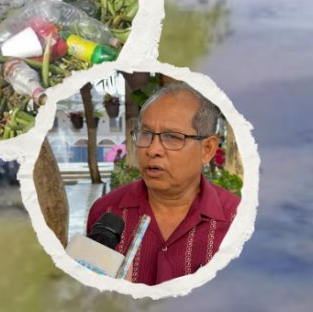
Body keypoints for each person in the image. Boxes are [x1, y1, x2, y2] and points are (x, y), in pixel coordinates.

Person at [86, 81, 240, 285]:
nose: (152, 150)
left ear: (207, 149)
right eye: (146, 134)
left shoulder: (238, 223)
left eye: (172, 137)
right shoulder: (106, 213)